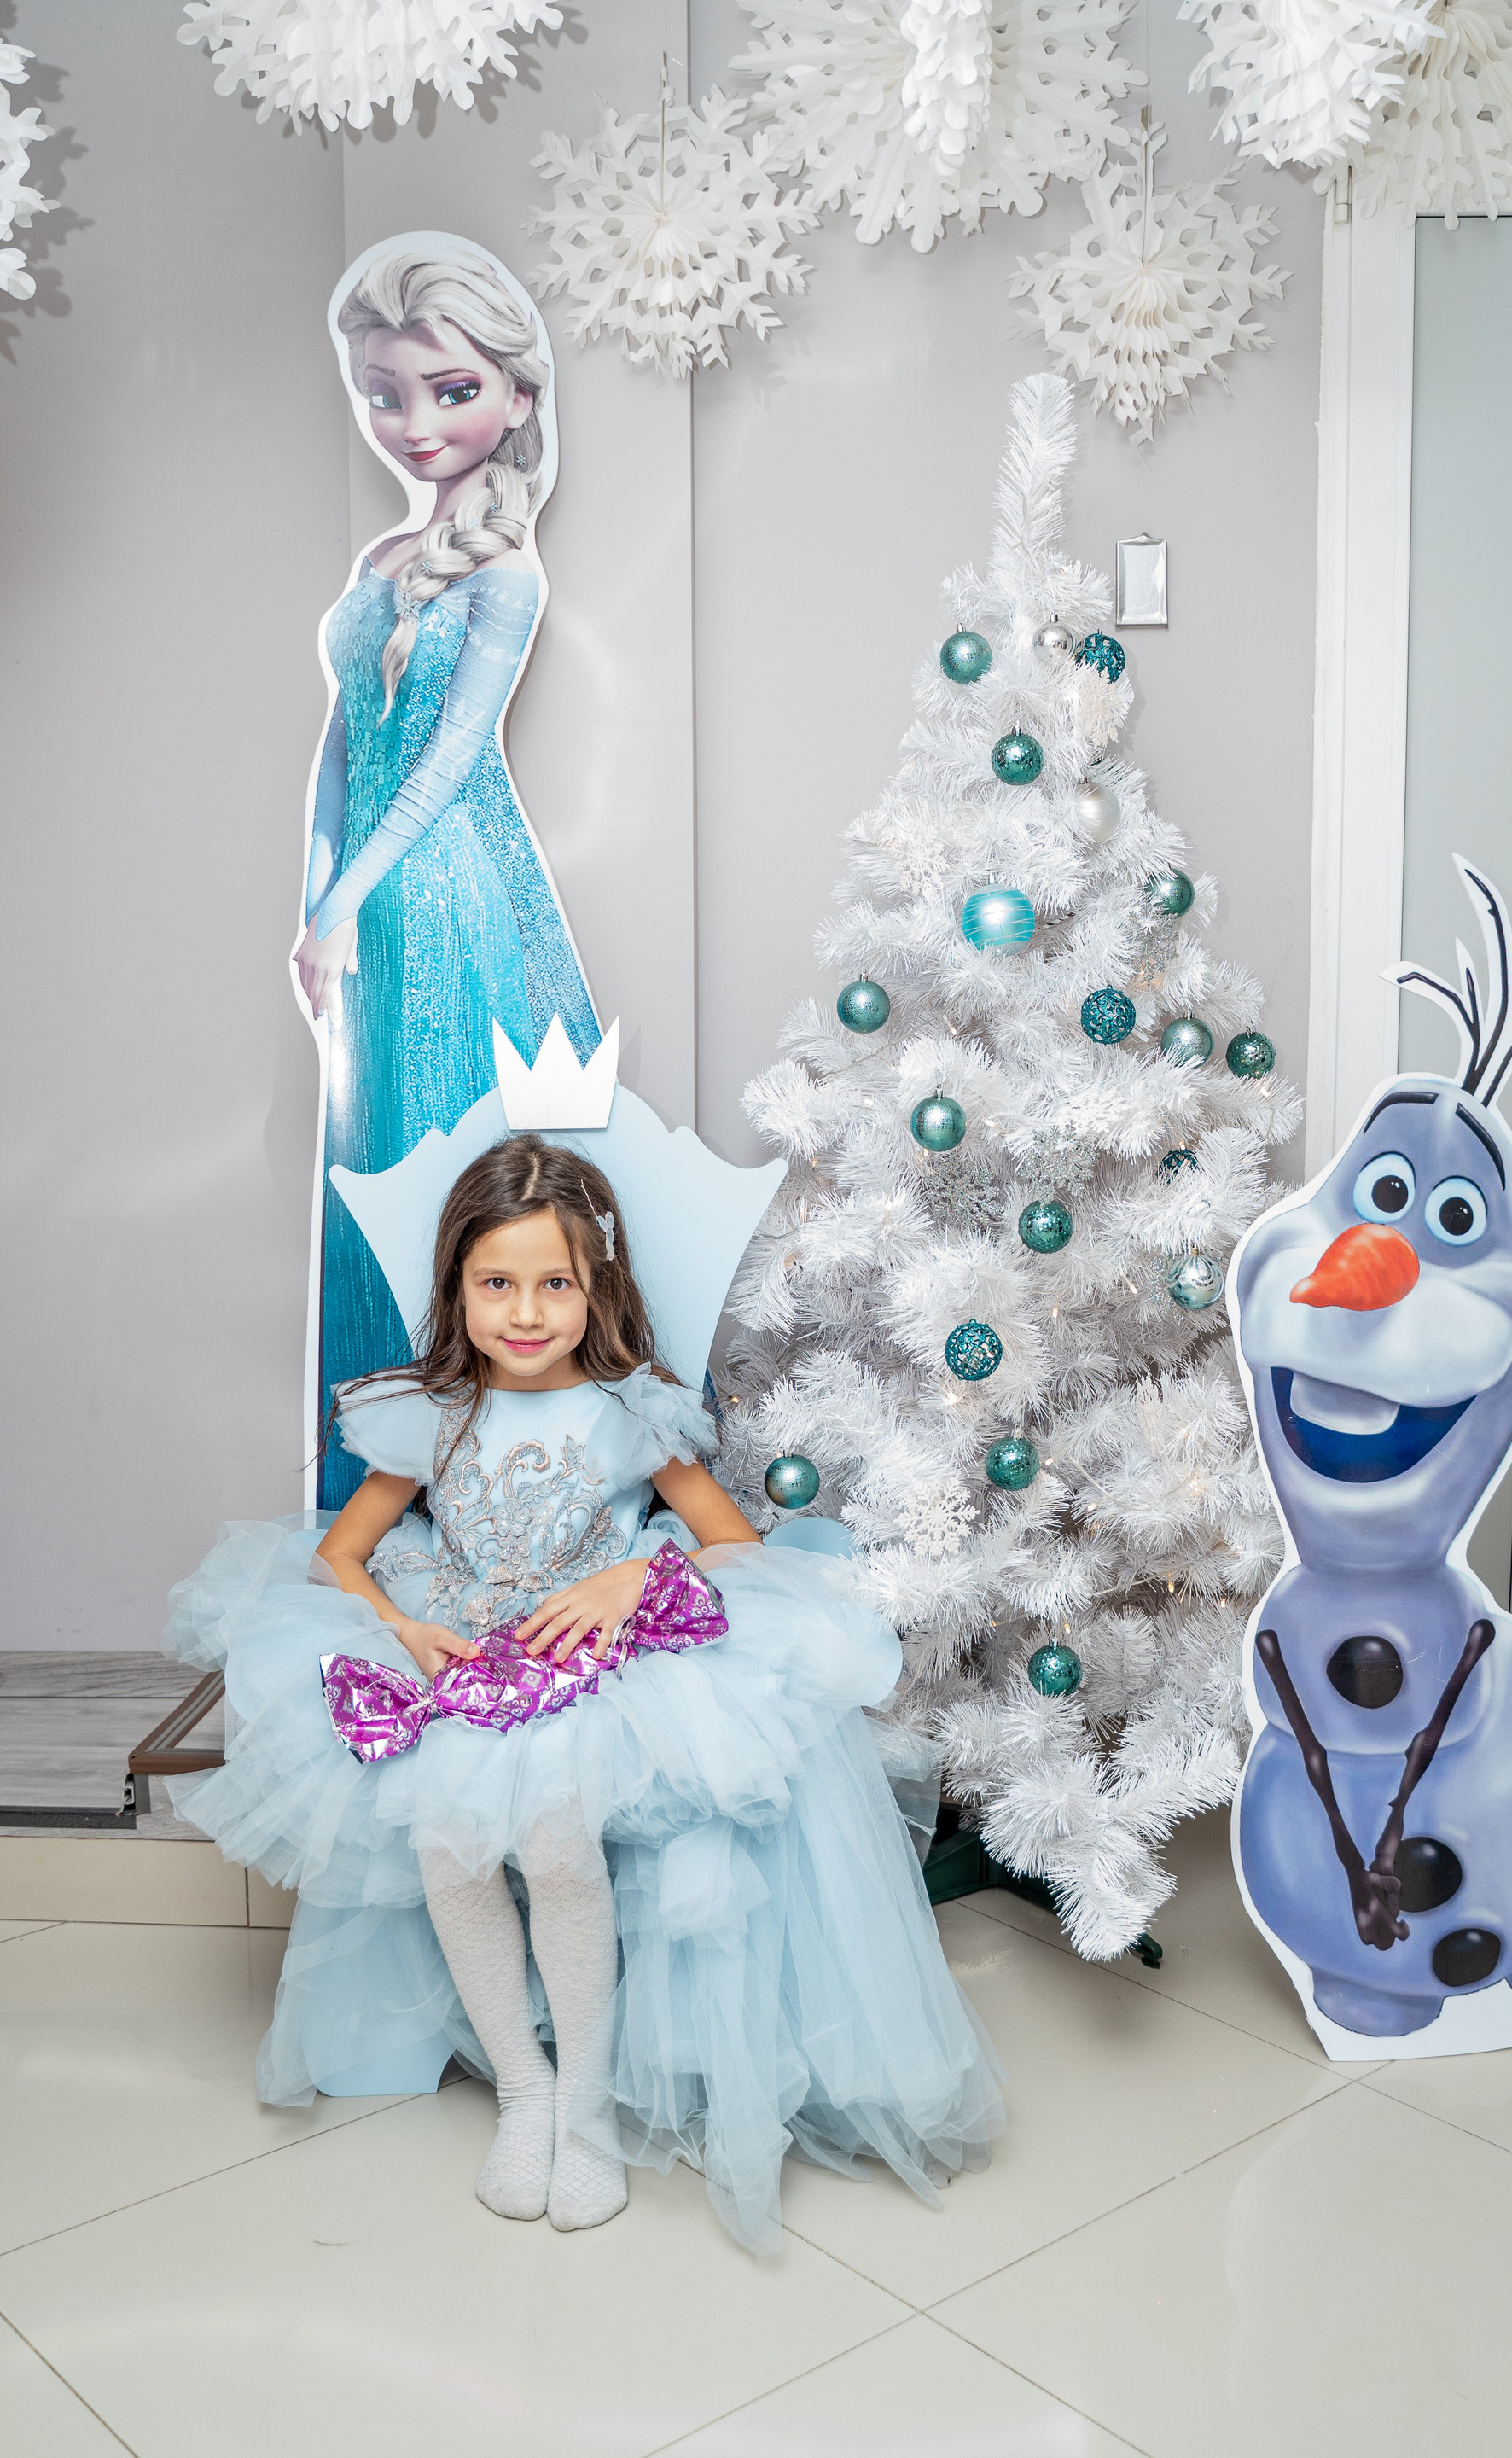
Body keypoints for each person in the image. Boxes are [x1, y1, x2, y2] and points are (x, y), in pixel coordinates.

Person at [166, 1137, 1003, 2250]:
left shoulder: (631, 1412)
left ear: (595, 1286)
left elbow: (734, 1547)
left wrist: (632, 1579)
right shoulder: (430, 1414)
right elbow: (342, 1558)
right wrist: (401, 1628)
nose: (525, 1313)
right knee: (450, 1845)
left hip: (591, 1671)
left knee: (557, 1842)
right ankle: (526, 2091)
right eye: (496, 1284)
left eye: (554, 1283)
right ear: (457, 1286)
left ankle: (589, 2106)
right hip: (461, 1663)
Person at [297, 244, 600, 1507]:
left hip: (446, 899)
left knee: (441, 1168)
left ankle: (486, 1503)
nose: (414, 423)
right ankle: (376, 1498)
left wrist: (346, 900)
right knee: (372, 1163)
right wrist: (316, 901)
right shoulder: (382, 560)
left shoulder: (506, 572)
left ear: (518, 397)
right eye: (386, 394)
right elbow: (342, 750)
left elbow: (447, 764)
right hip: (370, 909)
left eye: (451, 390)